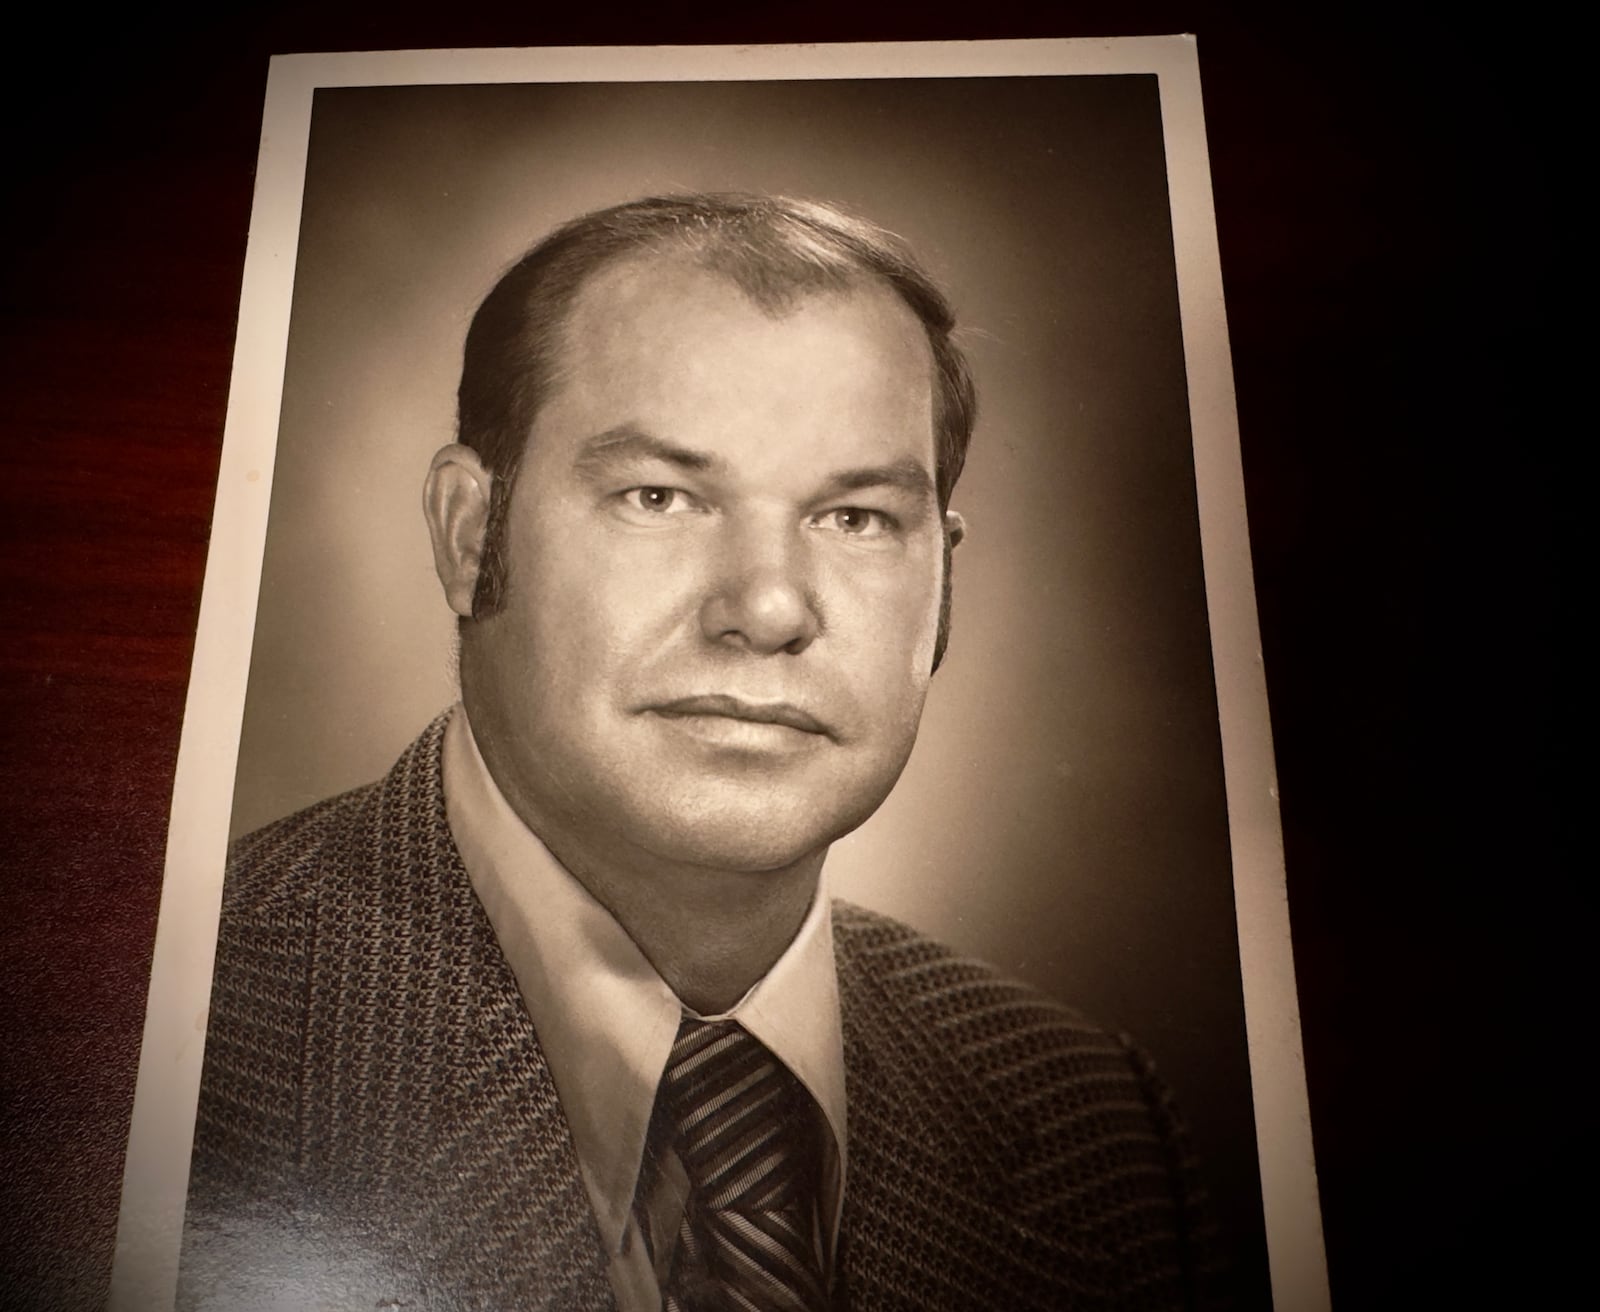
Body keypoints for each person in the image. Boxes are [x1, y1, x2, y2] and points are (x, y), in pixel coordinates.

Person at [181, 193, 1224, 1311]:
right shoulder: (177, 1040)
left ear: (945, 581)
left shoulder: (1099, 1125)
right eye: (660, 496)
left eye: (857, 516)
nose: (769, 608)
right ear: (469, 532)